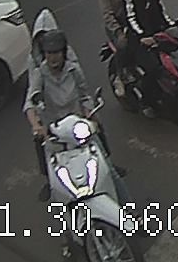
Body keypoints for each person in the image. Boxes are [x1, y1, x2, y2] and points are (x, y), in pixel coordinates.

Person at [25, 29, 124, 201]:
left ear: (64, 53)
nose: (53, 57)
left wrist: (89, 114)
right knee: (42, 148)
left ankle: (125, 201)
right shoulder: (39, 74)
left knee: (109, 171)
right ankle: (48, 180)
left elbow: (84, 95)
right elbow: (30, 104)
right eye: (49, 53)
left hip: (77, 125)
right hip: (55, 130)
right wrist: (36, 125)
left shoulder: (73, 70)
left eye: (57, 52)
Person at [123, 0, 176, 117]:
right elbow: (130, 18)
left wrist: (172, 26)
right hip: (136, 39)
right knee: (153, 68)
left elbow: (162, 13)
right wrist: (142, 37)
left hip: (155, 36)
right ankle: (146, 101)